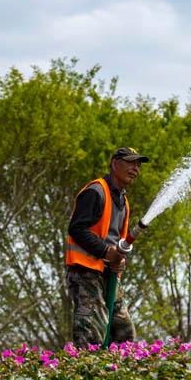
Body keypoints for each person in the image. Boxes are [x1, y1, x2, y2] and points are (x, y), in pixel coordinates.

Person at [65, 147, 149, 347]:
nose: (135, 169)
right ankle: (85, 372)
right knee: (91, 332)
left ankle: (114, 373)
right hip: (85, 271)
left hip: (107, 273)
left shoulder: (123, 201)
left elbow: (116, 240)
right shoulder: (96, 191)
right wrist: (106, 252)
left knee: (123, 332)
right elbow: (76, 229)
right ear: (114, 163)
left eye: (138, 165)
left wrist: (119, 259)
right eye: (130, 162)